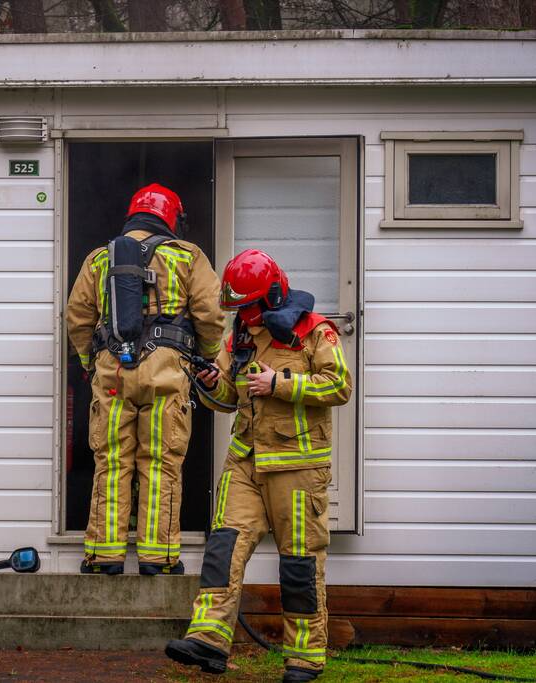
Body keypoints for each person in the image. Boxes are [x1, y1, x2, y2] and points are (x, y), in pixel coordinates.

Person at [164, 249, 352, 682]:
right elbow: (229, 397)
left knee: (299, 563)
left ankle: (304, 659)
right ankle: (208, 640)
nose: (242, 316)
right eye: (237, 309)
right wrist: (212, 382)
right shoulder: (241, 338)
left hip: (298, 468)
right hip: (245, 461)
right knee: (223, 548)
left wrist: (280, 383)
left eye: (248, 307)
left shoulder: (313, 331)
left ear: (271, 296)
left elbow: (339, 384)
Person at [66, 183, 224, 576]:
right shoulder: (188, 256)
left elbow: (78, 317)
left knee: (111, 463)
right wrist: (205, 358)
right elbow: (211, 315)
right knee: (161, 463)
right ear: (172, 218)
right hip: (166, 374)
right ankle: (158, 559)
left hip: (112, 373)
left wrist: (91, 362)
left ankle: (104, 557)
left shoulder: (100, 258)